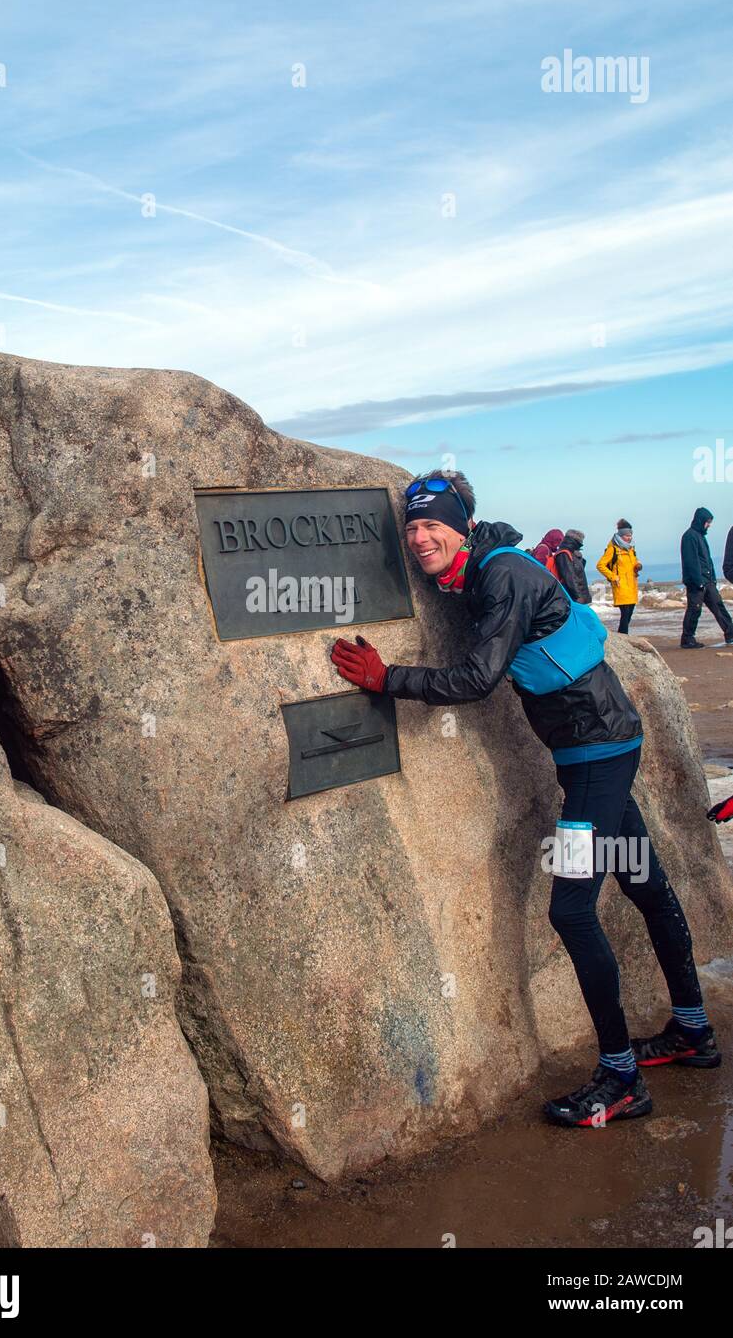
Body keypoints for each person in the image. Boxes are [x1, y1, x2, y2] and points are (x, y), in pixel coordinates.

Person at [330, 470, 720, 1129]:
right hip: (597, 748)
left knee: (571, 911)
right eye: (412, 527)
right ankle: (692, 1032)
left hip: (595, 753)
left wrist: (385, 678)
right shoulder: (483, 566)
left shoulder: (500, 575)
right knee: (643, 884)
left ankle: (620, 1078)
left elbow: (479, 677)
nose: (420, 537)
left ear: (461, 526)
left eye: (433, 525)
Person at [680, 508, 733, 649]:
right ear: (701, 521)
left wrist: (713, 579)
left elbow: (707, 561)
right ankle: (687, 639)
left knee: (718, 606)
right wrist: (698, 582)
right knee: (694, 610)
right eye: (708, 522)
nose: (709, 525)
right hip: (696, 583)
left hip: (707, 581)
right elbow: (691, 562)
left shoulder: (700, 536)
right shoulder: (689, 536)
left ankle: (731, 634)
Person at [596, 519, 641, 634]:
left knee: (629, 613)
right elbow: (600, 565)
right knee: (625, 614)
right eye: (627, 535)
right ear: (621, 535)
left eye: (630, 535)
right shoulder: (613, 549)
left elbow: (634, 561)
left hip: (632, 585)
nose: (629, 537)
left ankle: (623, 636)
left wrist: (638, 565)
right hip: (620, 585)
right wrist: (613, 577)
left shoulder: (631, 549)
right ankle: (623, 636)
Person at [551, 528, 592, 603]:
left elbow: (577, 573)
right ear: (576, 542)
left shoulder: (571, 554)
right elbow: (570, 577)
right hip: (572, 597)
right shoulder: (564, 554)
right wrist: (578, 597)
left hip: (573, 596)